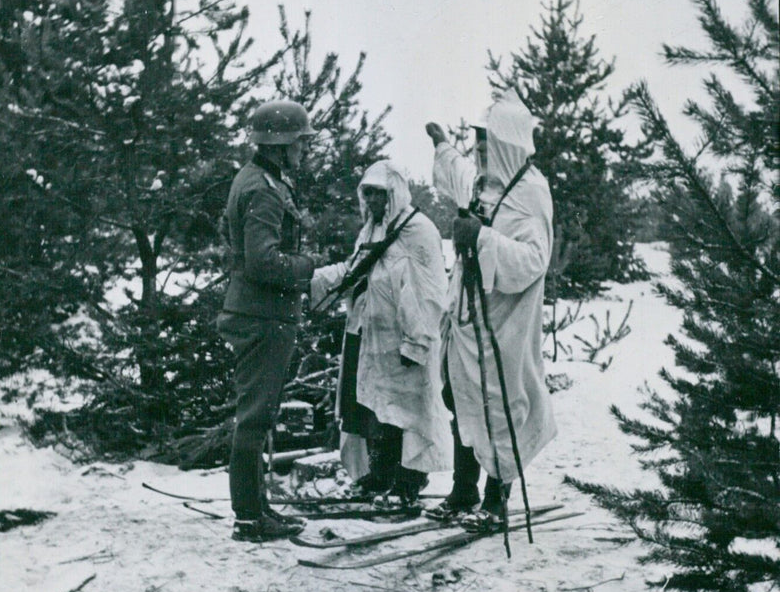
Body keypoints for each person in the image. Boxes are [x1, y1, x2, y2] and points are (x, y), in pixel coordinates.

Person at [425, 90, 557, 521]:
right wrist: (443, 147)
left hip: (505, 323)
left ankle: (496, 501)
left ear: (507, 145)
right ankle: (463, 493)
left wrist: (480, 238)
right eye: (477, 142)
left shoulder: (531, 194)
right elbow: (459, 174)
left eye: (486, 143)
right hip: (468, 316)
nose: (479, 151)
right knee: (460, 397)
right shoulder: (487, 183)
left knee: (499, 405)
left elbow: (534, 261)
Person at [310, 160, 451, 503]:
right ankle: (379, 476)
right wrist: (315, 279)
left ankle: (408, 482)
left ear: (395, 192)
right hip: (370, 332)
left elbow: (430, 291)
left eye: (379, 193)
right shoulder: (372, 229)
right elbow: (355, 270)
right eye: (367, 192)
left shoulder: (419, 231)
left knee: (408, 411)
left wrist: (417, 340)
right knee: (375, 409)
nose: (372, 200)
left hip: (405, 337)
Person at [217, 100, 315, 542]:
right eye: (301, 142)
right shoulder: (262, 188)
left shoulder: (259, 180)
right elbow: (262, 262)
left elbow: (231, 239)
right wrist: (307, 265)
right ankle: (250, 518)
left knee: (257, 414)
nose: (304, 150)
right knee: (255, 417)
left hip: (259, 311)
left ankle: (257, 509)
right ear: (281, 144)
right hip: (263, 315)